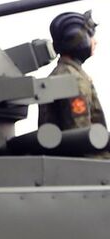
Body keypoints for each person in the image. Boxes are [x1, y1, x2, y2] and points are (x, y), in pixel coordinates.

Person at [41, 11, 110, 158]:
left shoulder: (64, 74)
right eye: (91, 35)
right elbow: (81, 135)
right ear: (78, 39)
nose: (95, 41)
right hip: (89, 168)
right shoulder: (72, 79)